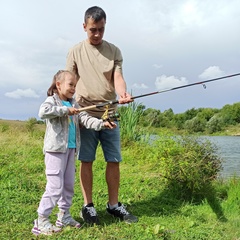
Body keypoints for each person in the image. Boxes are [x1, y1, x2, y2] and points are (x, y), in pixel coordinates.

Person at [66, 6, 138, 225]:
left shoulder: (114, 51)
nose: (97, 34)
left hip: (110, 114)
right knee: (86, 160)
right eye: (93, 30)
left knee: (113, 160)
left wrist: (122, 93)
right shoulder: (75, 51)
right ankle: (88, 207)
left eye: (101, 30)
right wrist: (67, 104)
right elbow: (69, 81)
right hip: (86, 114)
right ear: (84, 27)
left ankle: (113, 205)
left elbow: (118, 76)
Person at [31, 70, 116, 236]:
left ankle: (64, 216)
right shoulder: (52, 101)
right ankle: (41, 220)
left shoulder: (74, 103)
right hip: (55, 151)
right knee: (55, 187)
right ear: (58, 84)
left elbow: (84, 118)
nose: (73, 88)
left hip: (70, 150)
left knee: (68, 185)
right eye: (70, 84)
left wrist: (101, 124)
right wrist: (64, 110)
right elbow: (43, 112)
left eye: (75, 86)